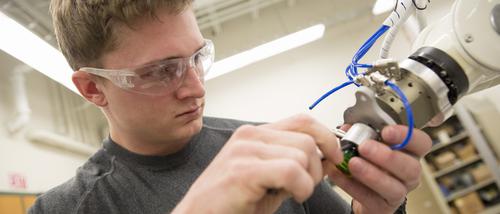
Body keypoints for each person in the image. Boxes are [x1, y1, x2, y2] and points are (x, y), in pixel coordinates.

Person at [29, 0, 432, 213]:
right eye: (160, 71)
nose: (194, 87)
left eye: (196, 58)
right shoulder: (67, 210)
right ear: (92, 89)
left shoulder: (266, 149)